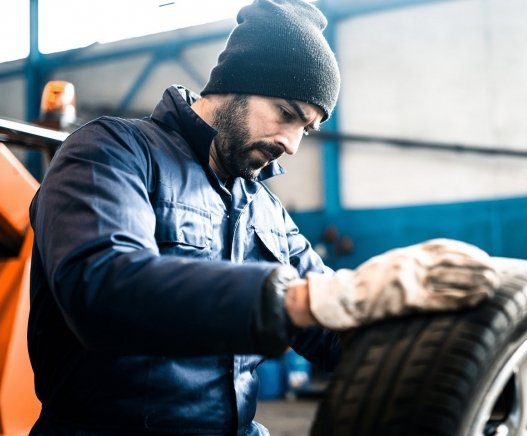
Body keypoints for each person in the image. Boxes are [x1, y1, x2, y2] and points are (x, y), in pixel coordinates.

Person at [27, 0, 498, 434]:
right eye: (286, 113)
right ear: (235, 84)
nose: (292, 143)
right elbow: (103, 289)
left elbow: (332, 332)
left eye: (307, 129)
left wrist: (452, 331)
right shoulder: (111, 151)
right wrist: (303, 300)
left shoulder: (265, 208)